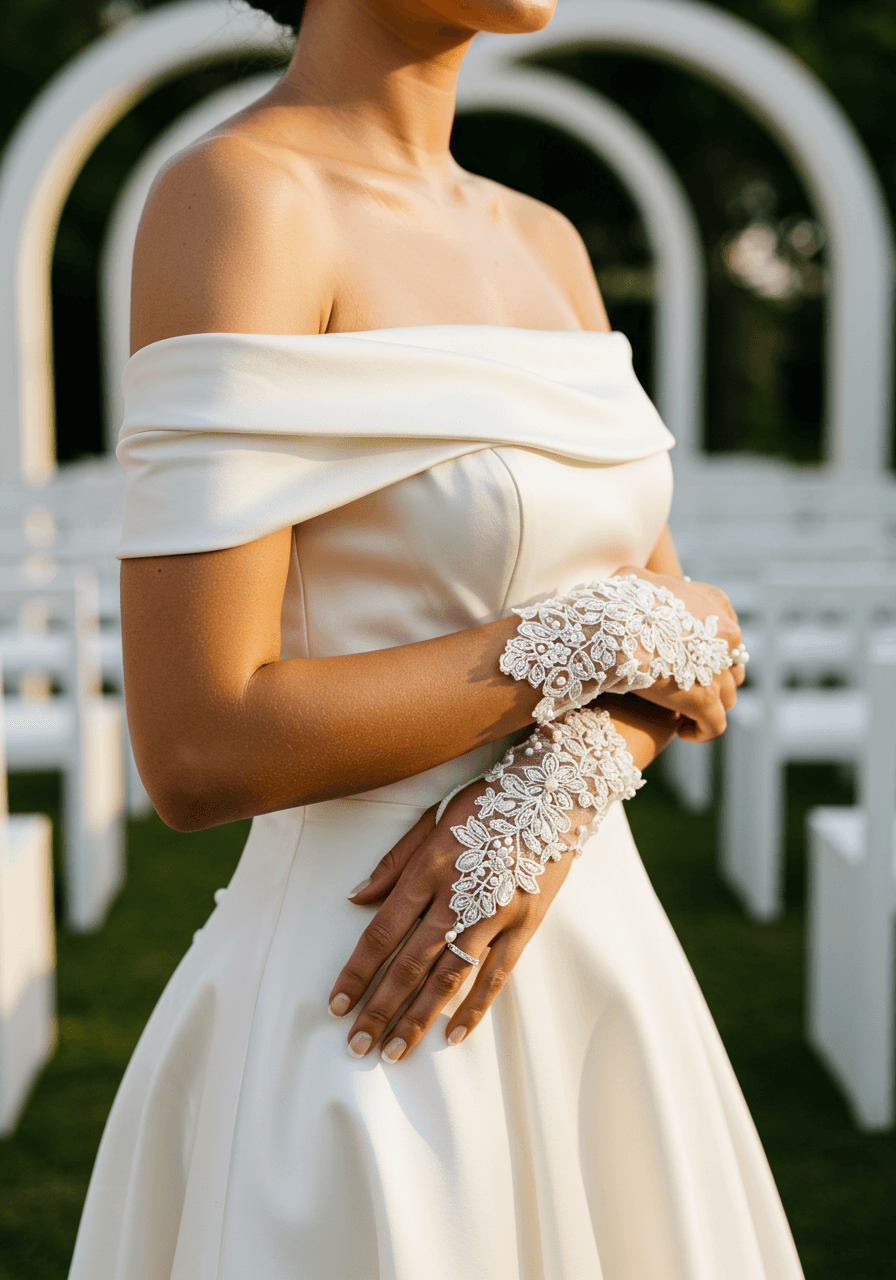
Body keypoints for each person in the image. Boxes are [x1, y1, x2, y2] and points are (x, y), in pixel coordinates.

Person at [68, 0, 805, 1275]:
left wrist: (549, 798)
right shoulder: (237, 198)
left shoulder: (547, 240)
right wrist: (604, 630)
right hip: (361, 997)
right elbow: (198, 742)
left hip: (592, 954)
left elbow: (684, 655)